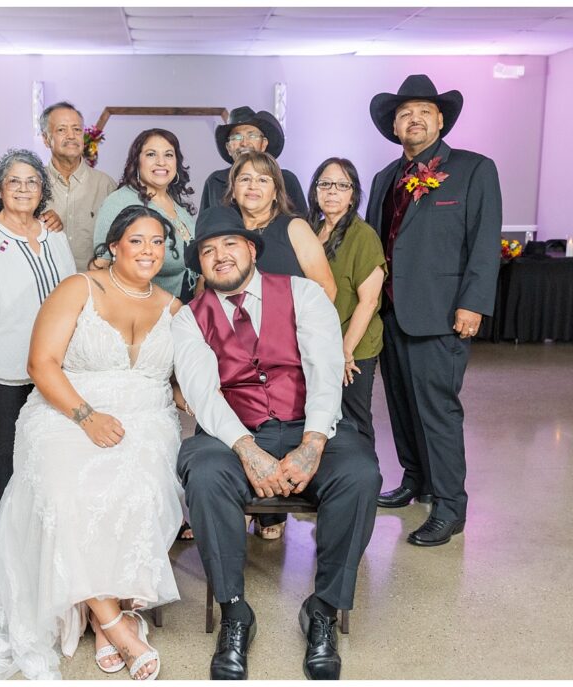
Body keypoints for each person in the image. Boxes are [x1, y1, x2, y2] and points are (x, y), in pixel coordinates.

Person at [0, 205, 185, 681]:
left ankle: (104, 621)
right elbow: (41, 363)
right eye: (137, 240)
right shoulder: (79, 288)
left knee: (141, 489)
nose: (149, 250)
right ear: (113, 247)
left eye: (157, 242)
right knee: (67, 494)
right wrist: (86, 417)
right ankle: (116, 623)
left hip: (147, 421)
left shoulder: (173, 307)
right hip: (68, 410)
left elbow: (183, 378)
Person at [172, 206, 382, 681]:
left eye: (229, 244)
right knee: (203, 473)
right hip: (235, 431)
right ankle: (234, 612)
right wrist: (248, 450)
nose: (219, 256)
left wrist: (312, 443)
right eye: (207, 251)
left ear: (251, 249)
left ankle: (323, 609)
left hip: (311, 420)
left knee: (360, 474)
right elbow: (204, 396)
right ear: (200, 265)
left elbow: (326, 371)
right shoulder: (188, 319)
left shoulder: (304, 293)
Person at [365, 74, 502, 546]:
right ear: (394, 126)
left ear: (440, 120)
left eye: (424, 111)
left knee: (438, 411)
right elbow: (374, 246)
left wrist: (473, 304)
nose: (414, 119)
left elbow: (484, 244)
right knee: (401, 406)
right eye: (405, 114)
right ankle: (415, 479)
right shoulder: (385, 178)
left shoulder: (473, 169)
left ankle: (450, 506)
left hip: (442, 314)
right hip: (390, 314)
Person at [0, 148, 75, 507]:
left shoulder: (55, 235)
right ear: (0, 189)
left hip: (56, 365)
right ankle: (8, 523)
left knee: (50, 444)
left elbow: (72, 295)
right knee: (8, 446)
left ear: (42, 189)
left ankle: (43, 516)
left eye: (32, 181)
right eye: (14, 182)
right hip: (4, 366)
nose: (23, 189)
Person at [226, 150, 336, 540]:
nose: (253, 186)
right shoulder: (224, 229)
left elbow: (326, 287)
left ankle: (275, 511)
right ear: (233, 188)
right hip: (235, 349)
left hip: (288, 350)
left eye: (262, 179)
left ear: (276, 190)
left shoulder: (294, 228)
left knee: (284, 419)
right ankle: (243, 497)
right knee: (244, 422)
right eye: (244, 179)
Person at [307, 157, 385, 449]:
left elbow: (369, 302)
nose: (331, 191)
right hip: (318, 342)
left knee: (353, 417)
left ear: (353, 195)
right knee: (320, 416)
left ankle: (364, 486)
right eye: (324, 184)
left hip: (353, 345)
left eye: (342, 185)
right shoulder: (311, 230)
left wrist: (345, 351)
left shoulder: (363, 236)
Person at [93, 128, 197, 302]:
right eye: (151, 154)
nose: (161, 162)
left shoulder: (177, 204)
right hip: (143, 308)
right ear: (137, 162)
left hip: (185, 307)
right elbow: (101, 267)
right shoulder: (119, 202)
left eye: (169, 155)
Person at [38, 101, 117, 270]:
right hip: (46, 287)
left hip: (94, 286)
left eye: (77, 129)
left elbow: (120, 240)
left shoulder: (106, 186)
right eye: (61, 130)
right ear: (46, 138)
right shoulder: (32, 184)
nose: (71, 136)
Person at [200, 106, 308, 215]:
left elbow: (303, 224)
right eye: (236, 138)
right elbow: (204, 228)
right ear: (228, 148)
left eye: (252, 135)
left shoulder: (286, 180)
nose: (244, 143)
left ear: (264, 144)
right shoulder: (215, 182)